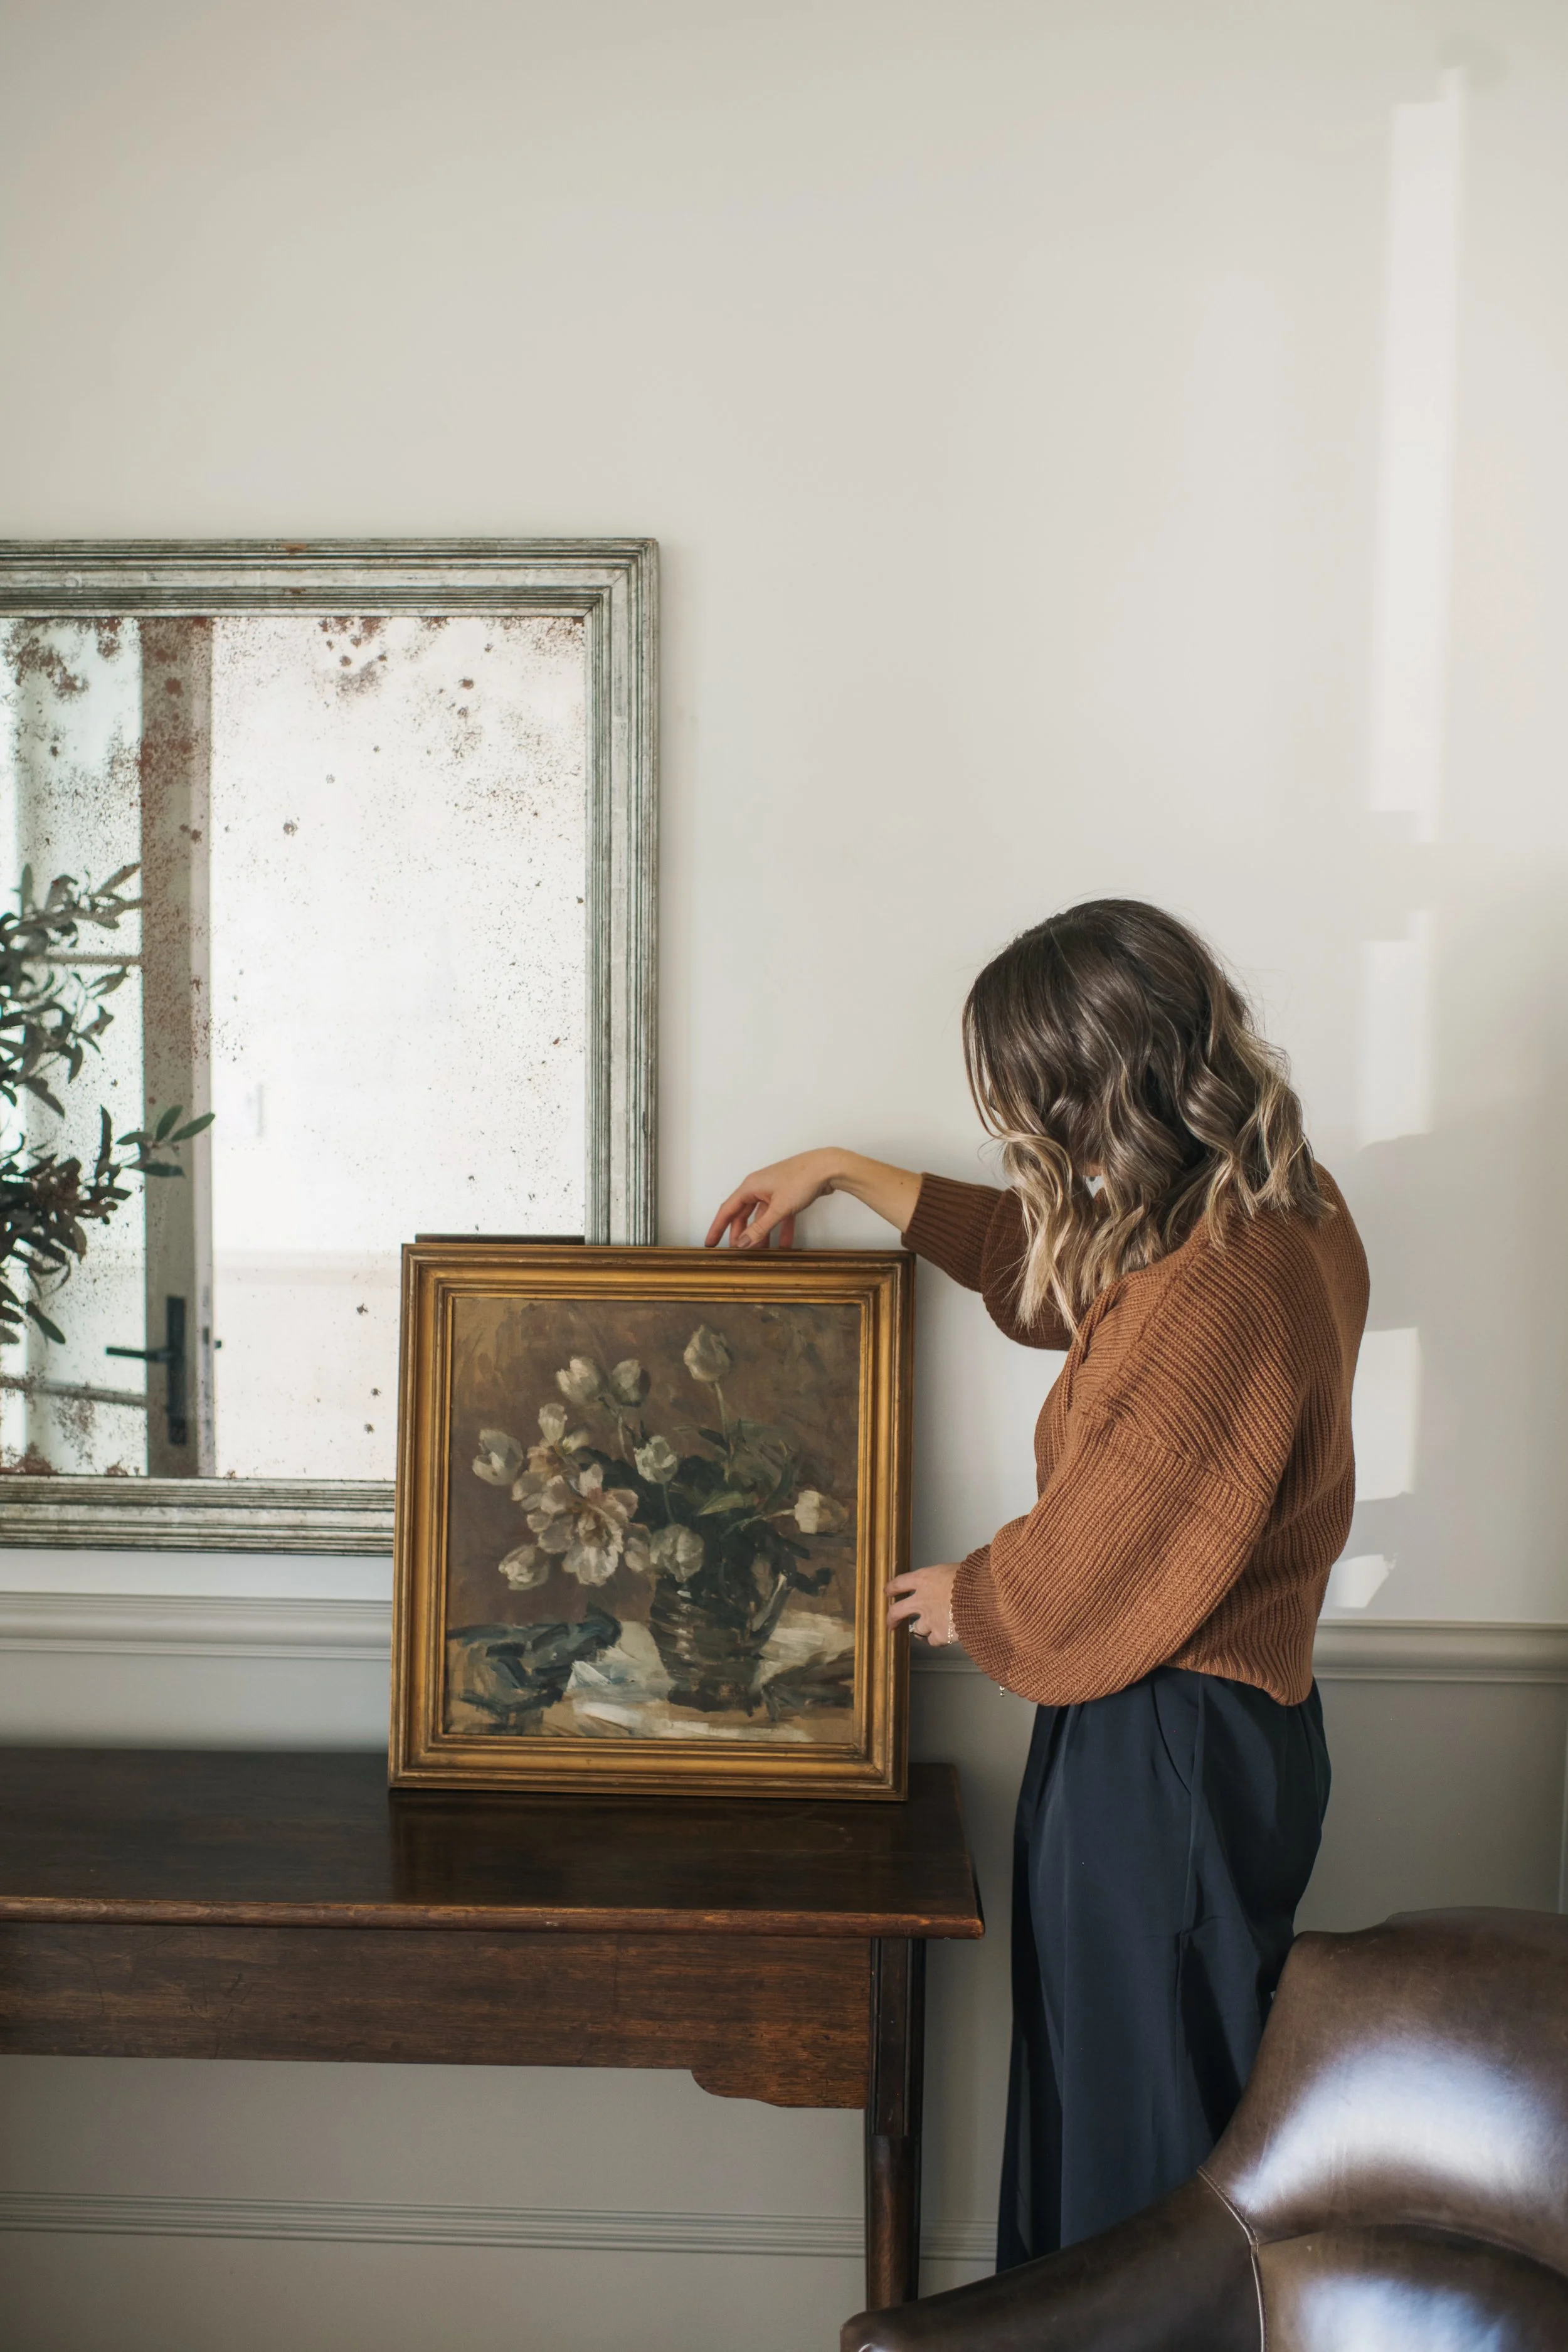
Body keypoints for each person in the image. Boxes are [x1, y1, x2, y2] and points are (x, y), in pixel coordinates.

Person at [705, 898, 1367, 2268]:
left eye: (1028, 1104)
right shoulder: (1261, 1214)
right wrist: (843, 1171)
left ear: (1094, 1085)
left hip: (1162, 1744)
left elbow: (1129, 1505)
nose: (1023, 1135)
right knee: (1138, 2106)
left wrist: (974, 1595)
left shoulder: (1222, 1280)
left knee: (1140, 2144)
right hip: (1194, 1736)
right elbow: (1058, 1280)